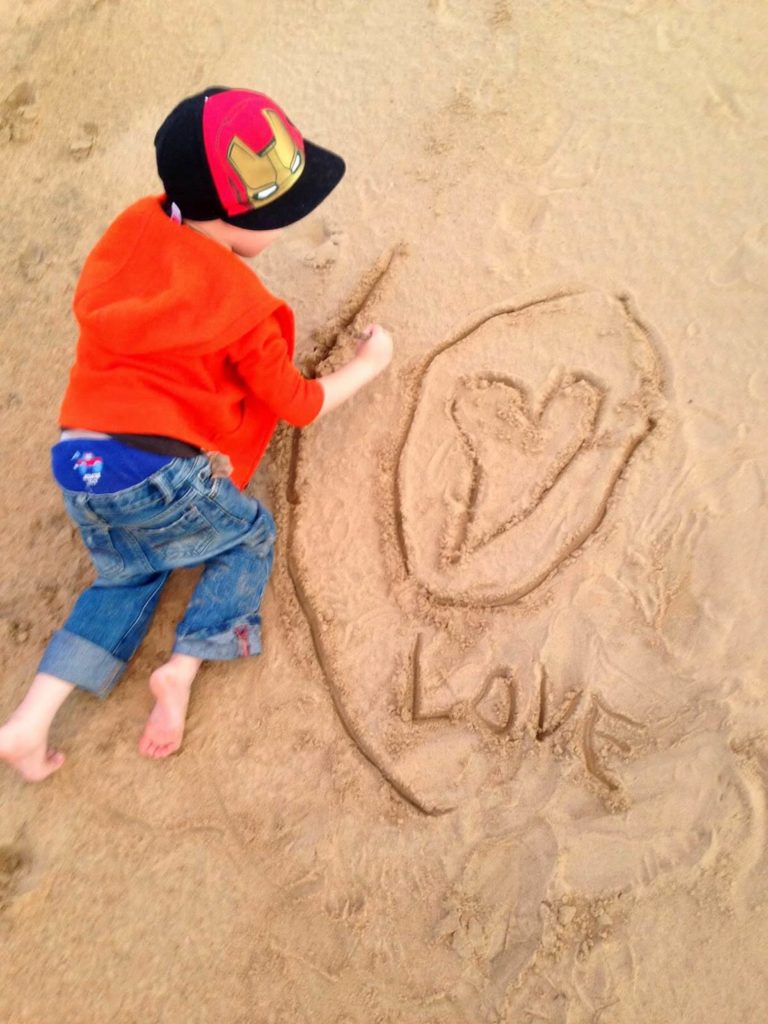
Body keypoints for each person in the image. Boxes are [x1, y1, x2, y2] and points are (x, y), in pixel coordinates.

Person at [0, 86, 393, 782]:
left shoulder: (136, 228)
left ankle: (30, 721)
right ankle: (183, 667)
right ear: (238, 219)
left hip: (79, 461)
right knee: (248, 535)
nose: (282, 231)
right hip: (157, 469)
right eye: (279, 217)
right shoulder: (237, 304)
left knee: (129, 573)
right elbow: (297, 403)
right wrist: (368, 366)